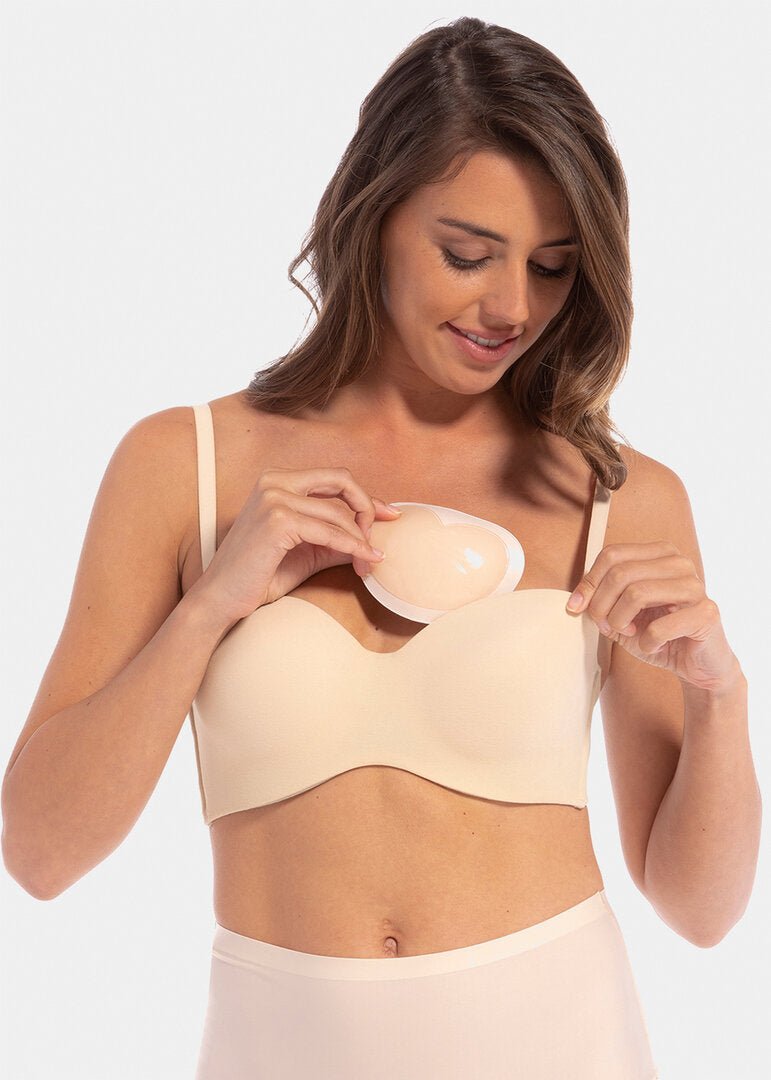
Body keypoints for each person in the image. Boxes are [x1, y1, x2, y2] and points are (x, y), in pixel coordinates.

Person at [2, 16, 760, 1080]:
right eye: (467, 254)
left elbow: (700, 910)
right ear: (373, 215)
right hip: (276, 1050)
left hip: (557, 1039)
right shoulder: (185, 465)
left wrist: (721, 698)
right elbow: (39, 854)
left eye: (552, 268)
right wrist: (212, 604)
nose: (512, 307)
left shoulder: (614, 497)